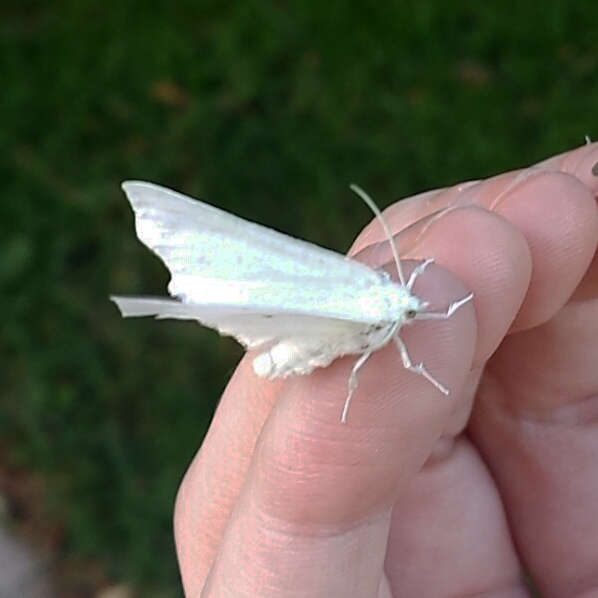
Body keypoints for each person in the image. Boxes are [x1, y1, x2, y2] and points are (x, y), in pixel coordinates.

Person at [173, 143, 598, 597]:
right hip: (302, 347)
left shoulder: (396, 313)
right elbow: (373, 362)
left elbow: (407, 324)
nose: (415, 306)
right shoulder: (382, 318)